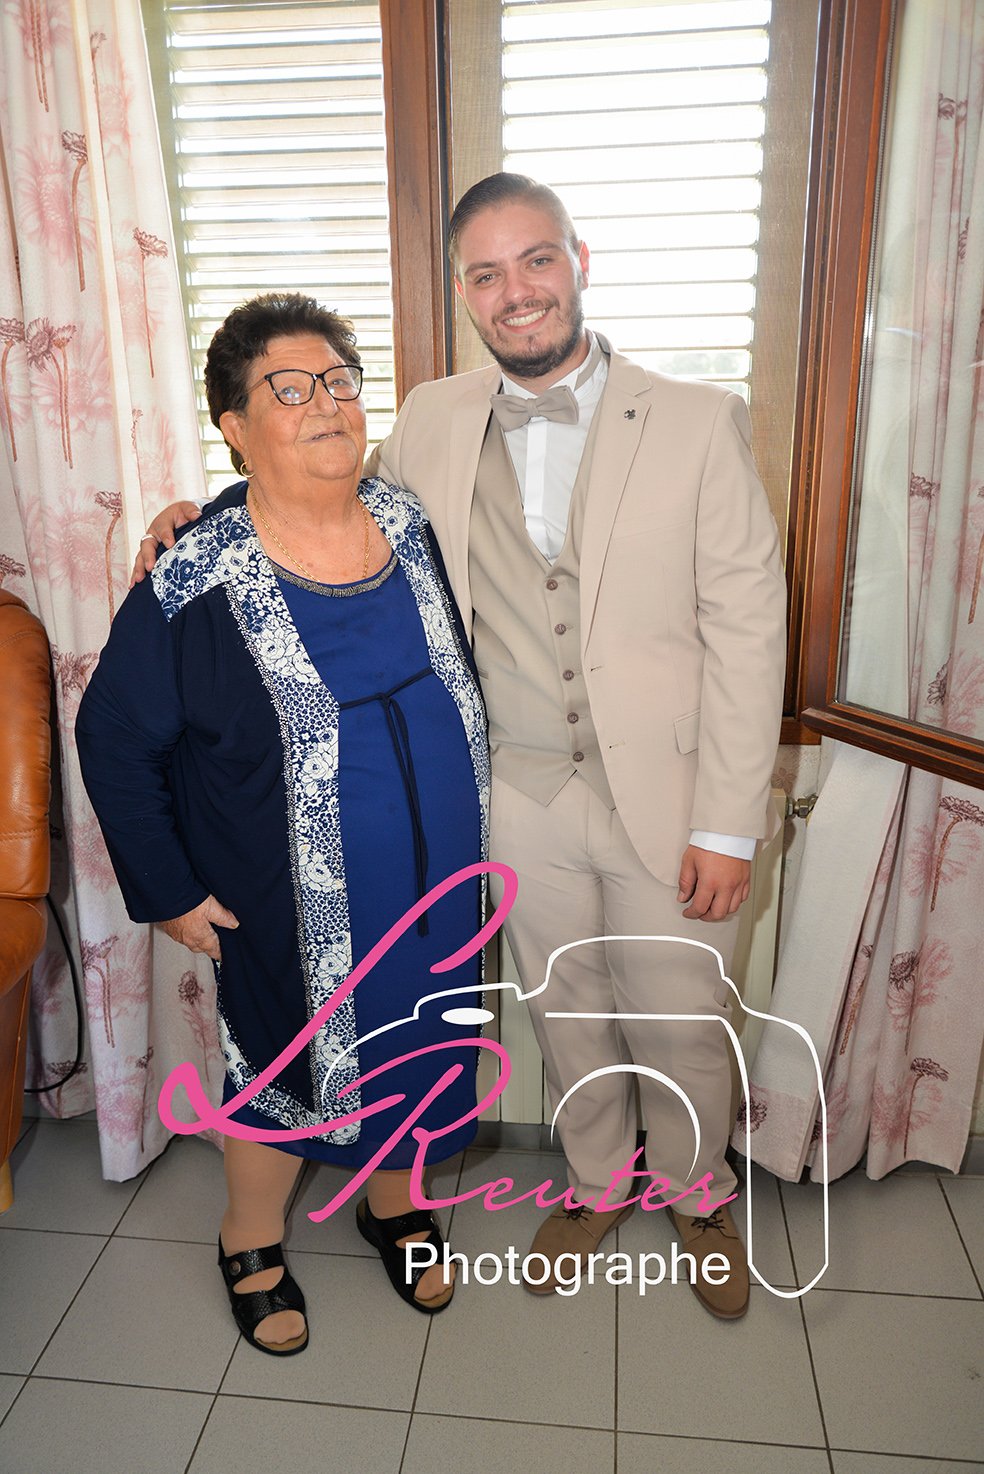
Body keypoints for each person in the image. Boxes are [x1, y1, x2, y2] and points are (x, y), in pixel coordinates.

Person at [135, 174, 787, 1320]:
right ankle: (596, 1182)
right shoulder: (433, 417)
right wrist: (199, 514)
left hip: (673, 788)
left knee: (683, 1017)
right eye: (485, 273)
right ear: (462, 292)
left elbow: (749, 620)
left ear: (579, 261)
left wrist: (728, 823)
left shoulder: (696, 416)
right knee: (565, 1010)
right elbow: (316, 489)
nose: (515, 290)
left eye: (536, 260)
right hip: (517, 791)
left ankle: (698, 1193)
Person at [78, 292, 491, 1356]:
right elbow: (113, 736)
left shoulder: (407, 522)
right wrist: (169, 890)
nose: (326, 405)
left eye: (340, 381)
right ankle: (249, 1237)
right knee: (281, 1073)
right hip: (286, 904)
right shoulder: (195, 573)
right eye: (290, 389)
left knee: (420, 1048)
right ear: (235, 425)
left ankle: (393, 1207)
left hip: (440, 890)